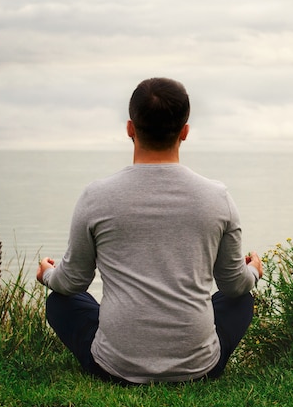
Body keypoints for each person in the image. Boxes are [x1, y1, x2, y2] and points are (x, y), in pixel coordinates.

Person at [36, 77, 263, 384]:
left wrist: (48, 274)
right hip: (199, 368)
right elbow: (234, 285)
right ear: (185, 132)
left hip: (114, 367)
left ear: (130, 129)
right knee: (241, 299)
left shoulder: (96, 196)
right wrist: (255, 272)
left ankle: (120, 351)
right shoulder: (217, 197)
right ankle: (193, 359)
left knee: (60, 300)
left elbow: (72, 282)